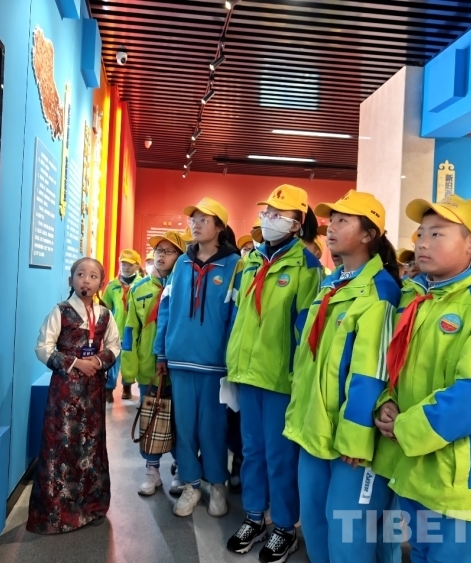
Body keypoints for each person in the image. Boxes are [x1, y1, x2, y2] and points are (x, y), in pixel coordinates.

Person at [375, 195, 471, 563]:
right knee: (422, 554)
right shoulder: (420, 301)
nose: (422, 242)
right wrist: (387, 402)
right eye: (421, 233)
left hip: (464, 481)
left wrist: (405, 427)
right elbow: (399, 370)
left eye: (437, 234)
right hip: (418, 471)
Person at [283, 190, 402, 563]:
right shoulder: (332, 283)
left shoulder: (380, 292)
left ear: (368, 234)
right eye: (331, 220)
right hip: (314, 427)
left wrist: (356, 438)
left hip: (350, 440)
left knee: (348, 533)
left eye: (342, 221)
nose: (330, 228)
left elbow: (372, 372)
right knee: (315, 522)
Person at [226, 185, 322, 562]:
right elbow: (240, 317)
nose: (269, 219)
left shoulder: (307, 268)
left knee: (279, 455)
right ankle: (254, 516)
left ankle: (284, 526)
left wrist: (298, 378)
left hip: (282, 379)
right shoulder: (251, 261)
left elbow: (306, 330)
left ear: (297, 224)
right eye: (267, 212)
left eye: (279, 214)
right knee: (251, 450)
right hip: (248, 375)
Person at [154, 197, 242, 518]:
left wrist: (233, 359)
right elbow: (165, 309)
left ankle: (217, 484)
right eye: (193, 219)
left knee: (213, 429)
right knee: (185, 427)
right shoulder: (180, 264)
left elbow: (237, 317)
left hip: (216, 364)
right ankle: (191, 484)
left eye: (204, 219)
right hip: (179, 360)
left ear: (219, 227)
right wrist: (161, 351)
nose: (196, 224)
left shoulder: (235, 265)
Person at [28, 257, 121, 533]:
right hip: (65, 392)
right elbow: (43, 348)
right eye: (80, 275)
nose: (86, 281)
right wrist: (76, 363)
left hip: (93, 392)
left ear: (100, 283)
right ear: (71, 280)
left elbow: (114, 345)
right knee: (62, 445)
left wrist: (99, 361)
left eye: (93, 276)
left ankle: (91, 507)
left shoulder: (105, 315)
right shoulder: (61, 311)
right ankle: (57, 514)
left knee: (90, 447)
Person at [122, 231, 186, 497]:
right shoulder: (139, 289)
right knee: (150, 421)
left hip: (180, 369)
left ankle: (182, 469)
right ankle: (152, 471)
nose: (161, 256)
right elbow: (130, 332)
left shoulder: (186, 286)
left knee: (181, 423)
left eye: (169, 251)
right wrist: (129, 372)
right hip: (150, 371)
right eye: (159, 250)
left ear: (180, 257)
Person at [103, 249, 143, 402]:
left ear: (137, 265)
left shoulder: (142, 284)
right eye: (123, 264)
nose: (125, 267)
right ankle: (109, 388)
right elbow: (105, 308)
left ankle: (127, 386)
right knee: (112, 361)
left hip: (134, 331)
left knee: (130, 360)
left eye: (129, 264)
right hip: (116, 330)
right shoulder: (112, 285)